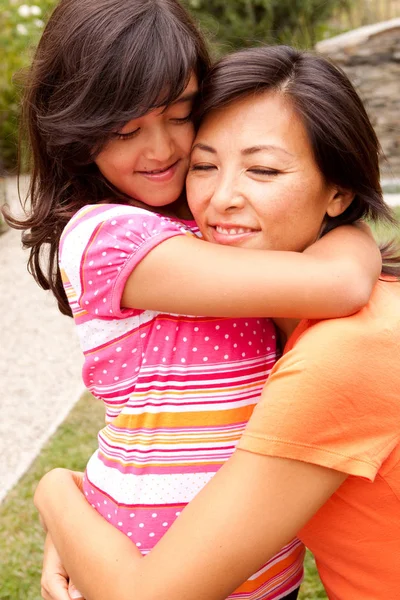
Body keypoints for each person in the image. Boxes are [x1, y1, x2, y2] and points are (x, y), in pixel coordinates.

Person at [33, 45, 400, 600]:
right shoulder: (263, 313)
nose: (221, 198)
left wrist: (56, 492)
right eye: (203, 166)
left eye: (264, 169)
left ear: (339, 191)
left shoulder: (344, 352)